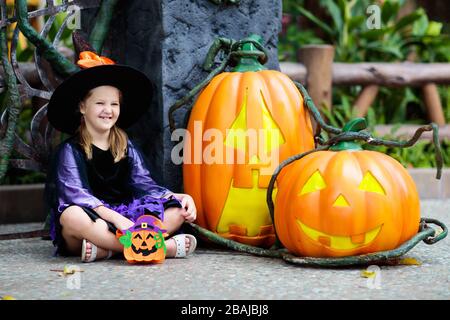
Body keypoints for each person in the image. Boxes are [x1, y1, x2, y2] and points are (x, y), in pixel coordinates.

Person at [45, 56, 197, 262]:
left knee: (177, 211)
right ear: (82, 107)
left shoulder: (124, 145)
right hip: (95, 219)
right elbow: (77, 196)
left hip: (126, 217)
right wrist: (116, 219)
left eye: (114, 104)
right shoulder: (70, 150)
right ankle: (161, 247)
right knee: (71, 216)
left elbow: (144, 183)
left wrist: (178, 197)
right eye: (100, 103)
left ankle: (109, 251)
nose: (108, 110)